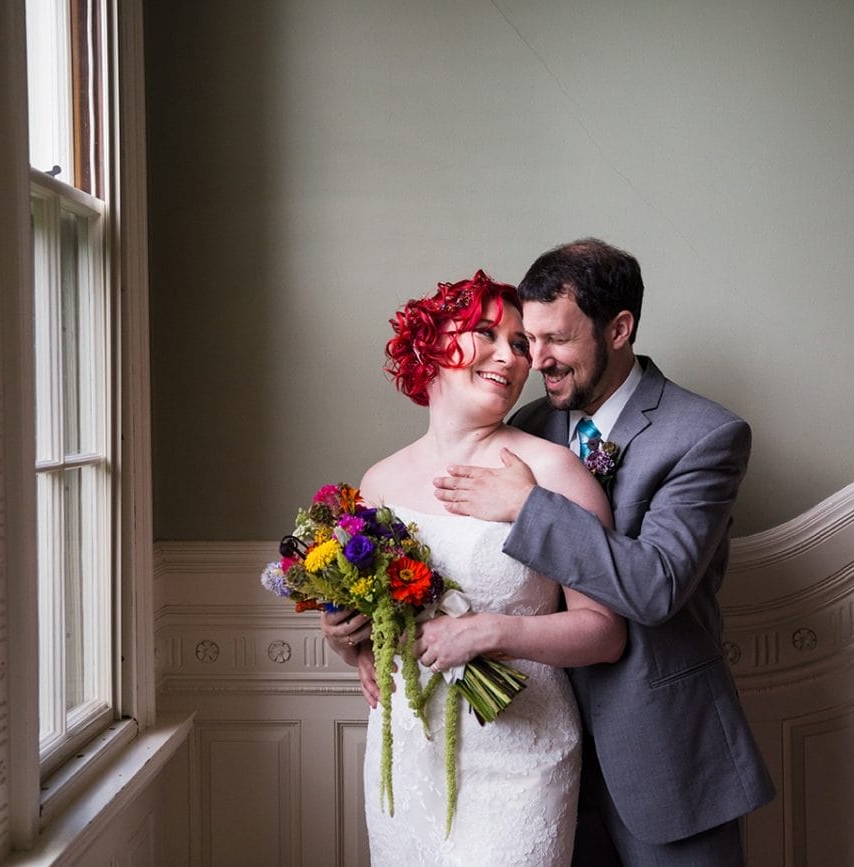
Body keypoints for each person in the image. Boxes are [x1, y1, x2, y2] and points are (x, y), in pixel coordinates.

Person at [429, 238, 776, 865]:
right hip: (535, 754)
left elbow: (656, 586)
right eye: (529, 341)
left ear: (619, 329)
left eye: (556, 340)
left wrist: (532, 508)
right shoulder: (528, 427)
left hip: (665, 754)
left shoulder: (705, 435)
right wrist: (361, 637)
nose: (538, 361)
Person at [323, 271, 626, 865]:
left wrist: (490, 632)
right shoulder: (380, 481)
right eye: (484, 333)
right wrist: (350, 645)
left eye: (520, 345)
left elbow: (606, 633)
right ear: (428, 347)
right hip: (408, 753)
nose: (509, 356)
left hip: (518, 757)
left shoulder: (555, 472)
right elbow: (376, 615)